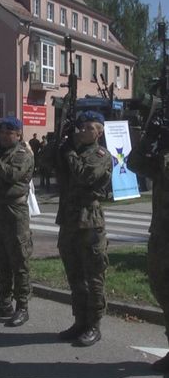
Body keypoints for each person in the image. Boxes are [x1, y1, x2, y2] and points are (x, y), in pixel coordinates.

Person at [56, 111, 112, 347]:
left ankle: (93, 325)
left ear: (99, 132)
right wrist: (61, 141)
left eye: (88, 127)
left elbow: (84, 176)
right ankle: (80, 321)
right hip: (69, 220)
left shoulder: (101, 155)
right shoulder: (72, 150)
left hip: (90, 221)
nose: (82, 131)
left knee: (94, 277)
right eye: (80, 127)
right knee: (75, 274)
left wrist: (70, 151)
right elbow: (48, 164)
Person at [0, 117, 34, 327]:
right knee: (1, 260)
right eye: (2, 132)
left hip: (15, 212)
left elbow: (12, 175)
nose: (4, 136)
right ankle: (4, 303)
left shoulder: (23, 154)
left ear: (19, 135)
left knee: (19, 261)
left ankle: (22, 306)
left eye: (9, 132)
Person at [128, 117, 169, 371]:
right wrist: (149, 138)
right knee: (162, 290)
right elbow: (134, 164)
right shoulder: (162, 157)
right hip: (161, 235)